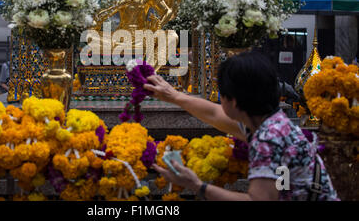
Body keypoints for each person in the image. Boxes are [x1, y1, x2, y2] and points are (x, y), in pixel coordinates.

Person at [144, 51, 339, 201]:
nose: (220, 102)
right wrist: (174, 95)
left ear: (234, 101)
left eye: (222, 95)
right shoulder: (273, 124)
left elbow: (258, 199)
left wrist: (196, 185)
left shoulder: (268, 139)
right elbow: (214, 114)